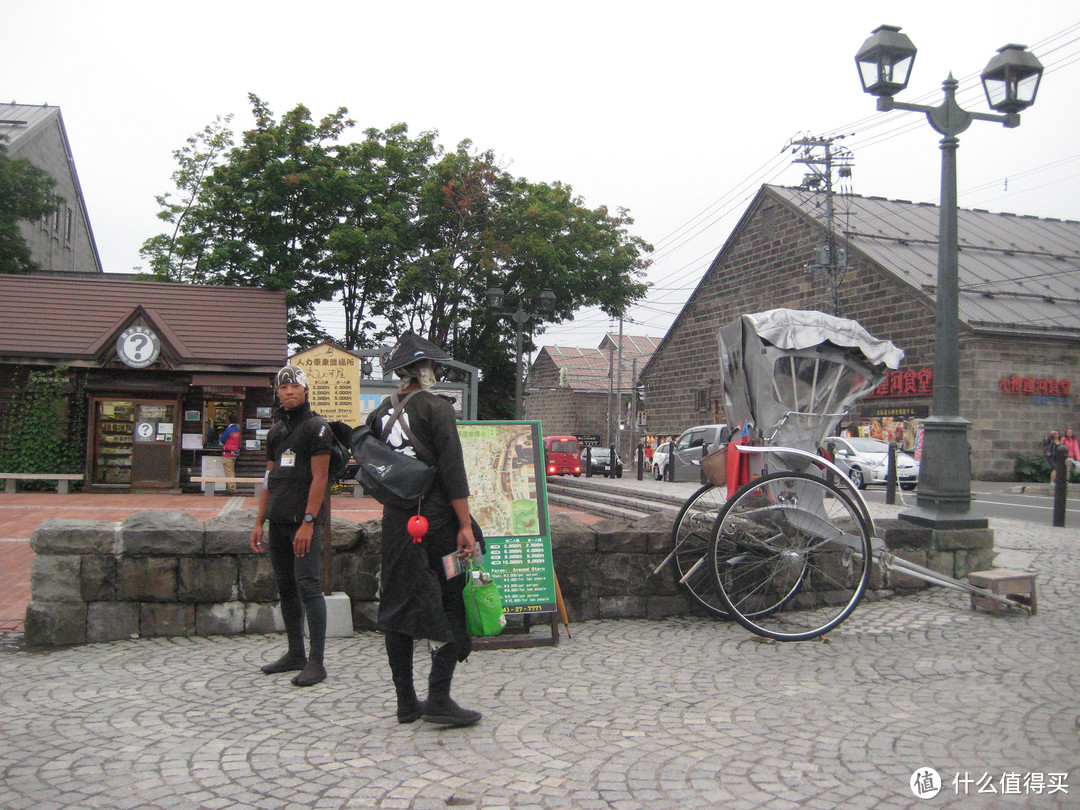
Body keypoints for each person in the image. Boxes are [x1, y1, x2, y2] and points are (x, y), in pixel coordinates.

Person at [368, 331, 481, 728]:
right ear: (427, 370)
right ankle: (438, 696)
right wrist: (465, 526)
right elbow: (453, 472)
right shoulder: (437, 408)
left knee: (397, 605)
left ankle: (406, 702)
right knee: (451, 599)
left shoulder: (380, 412)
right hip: (438, 524)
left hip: (398, 523)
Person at [249, 365, 333, 687]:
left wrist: (309, 522)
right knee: (286, 588)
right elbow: (268, 479)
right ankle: (295, 652)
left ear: (305, 390)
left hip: (303, 524)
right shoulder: (276, 432)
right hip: (279, 522)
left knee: (309, 588)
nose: (288, 392)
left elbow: (321, 478)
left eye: (294, 386)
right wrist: (259, 521)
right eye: (282, 388)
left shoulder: (317, 428)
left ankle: (317, 661)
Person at [219, 413, 241, 494]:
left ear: (228, 420)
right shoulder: (237, 429)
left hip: (227, 453)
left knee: (229, 472)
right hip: (234, 453)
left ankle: (232, 488)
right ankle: (231, 487)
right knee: (231, 470)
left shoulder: (229, 429)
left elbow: (222, 439)